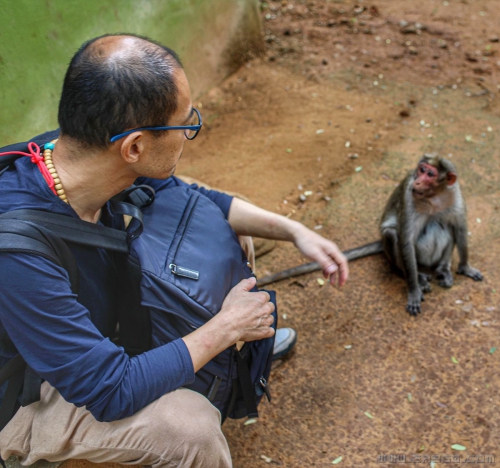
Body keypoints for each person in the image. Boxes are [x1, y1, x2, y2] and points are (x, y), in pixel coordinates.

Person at [0, 34, 348, 467]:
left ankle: (221, 356)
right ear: (134, 147)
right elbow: (110, 390)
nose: (189, 132)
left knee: (223, 232)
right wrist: (226, 327)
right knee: (191, 428)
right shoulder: (17, 253)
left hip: (89, 335)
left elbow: (192, 197)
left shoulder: (76, 150)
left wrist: (295, 231)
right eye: (184, 123)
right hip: (27, 391)